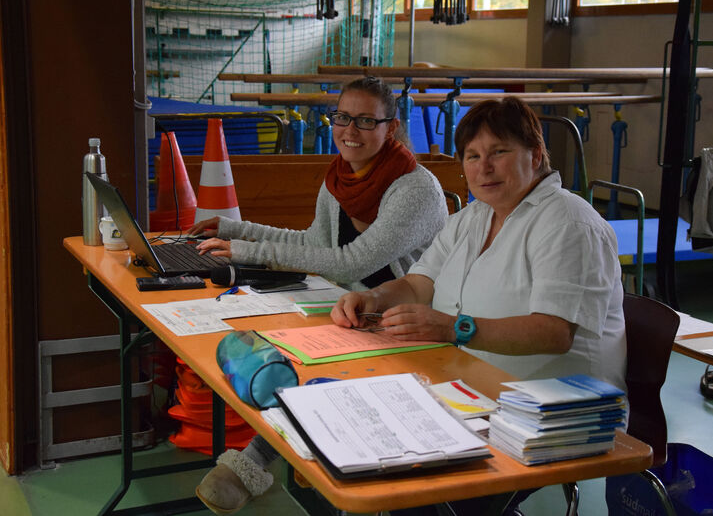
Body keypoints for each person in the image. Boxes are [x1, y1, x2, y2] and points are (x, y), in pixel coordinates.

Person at [331, 97, 626, 515]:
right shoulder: (474, 217)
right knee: (358, 438)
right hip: (472, 391)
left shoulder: (568, 223)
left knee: (410, 484)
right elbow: (419, 283)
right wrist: (373, 297)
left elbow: (555, 332)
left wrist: (453, 327)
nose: (483, 167)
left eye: (498, 152)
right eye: (472, 156)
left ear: (535, 155)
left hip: (551, 413)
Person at [191, 76, 449, 515]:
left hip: (410, 320)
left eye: (366, 121)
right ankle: (284, 463)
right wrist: (238, 230)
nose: (350, 130)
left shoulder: (415, 189)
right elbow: (314, 244)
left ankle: (258, 463)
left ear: (391, 127)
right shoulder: (340, 179)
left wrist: (248, 251)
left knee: (310, 367)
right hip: (354, 308)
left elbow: (350, 263)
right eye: (343, 117)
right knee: (281, 348)